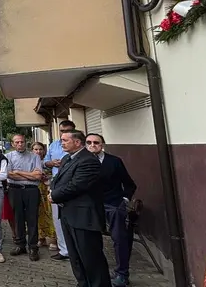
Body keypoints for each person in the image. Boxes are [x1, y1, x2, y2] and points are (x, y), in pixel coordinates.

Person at [50, 130, 111, 287]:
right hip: (68, 214)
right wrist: (53, 190)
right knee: (75, 257)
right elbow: (57, 179)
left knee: (90, 257)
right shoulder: (66, 158)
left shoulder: (88, 161)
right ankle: (83, 283)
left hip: (84, 217)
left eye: (65, 140)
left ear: (77, 142)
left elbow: (77, 185)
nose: (61, 143)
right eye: (61, 140)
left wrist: (55, 195)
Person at [85, 133, 137, 287]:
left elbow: (129, 184)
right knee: (90, 240)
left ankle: (122, 273)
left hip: (113, 205)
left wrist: (124, 199)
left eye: (96, 142)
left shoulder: (114, 161)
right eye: (89, 142)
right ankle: (96, 274)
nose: (92, 145)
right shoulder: (82, 162)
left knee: (119, 239)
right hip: (91, 206)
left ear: (103, 144)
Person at [5, 134, 43, 261]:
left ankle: (33, 247)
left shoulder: (35, 156)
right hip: (15, 191)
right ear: (12, 144)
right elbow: (9, 175)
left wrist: (19, 172)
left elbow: (38, 176)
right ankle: (20, 245)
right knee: (18, 218)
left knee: (32, 219)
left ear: (25, 142)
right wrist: (29, 175)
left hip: (31, 191)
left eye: (22, 141)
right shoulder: (8, 157)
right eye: (17, 142)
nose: (20, 144)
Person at [44, 119, 76, 260]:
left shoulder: (78, 144)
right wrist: (51, 163)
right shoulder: (54, 145)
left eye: (68, 130)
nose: (64, 133)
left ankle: (76, 250)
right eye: (62, 131)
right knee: (58, 219)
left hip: (73, 186)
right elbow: (45, 161)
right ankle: (64, 250)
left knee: (74, 218)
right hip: (57, 185)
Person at [32, 142, 55, 250]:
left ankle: (53, 239)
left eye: (40, 149)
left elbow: (54, 174)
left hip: (47, 190)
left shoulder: (48, 162)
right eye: (36, 149)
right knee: (37, 215)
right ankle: (41, 238)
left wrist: (47, 178)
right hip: (35, 189)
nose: (38, 151)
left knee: (50, 214)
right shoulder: (30, 161)